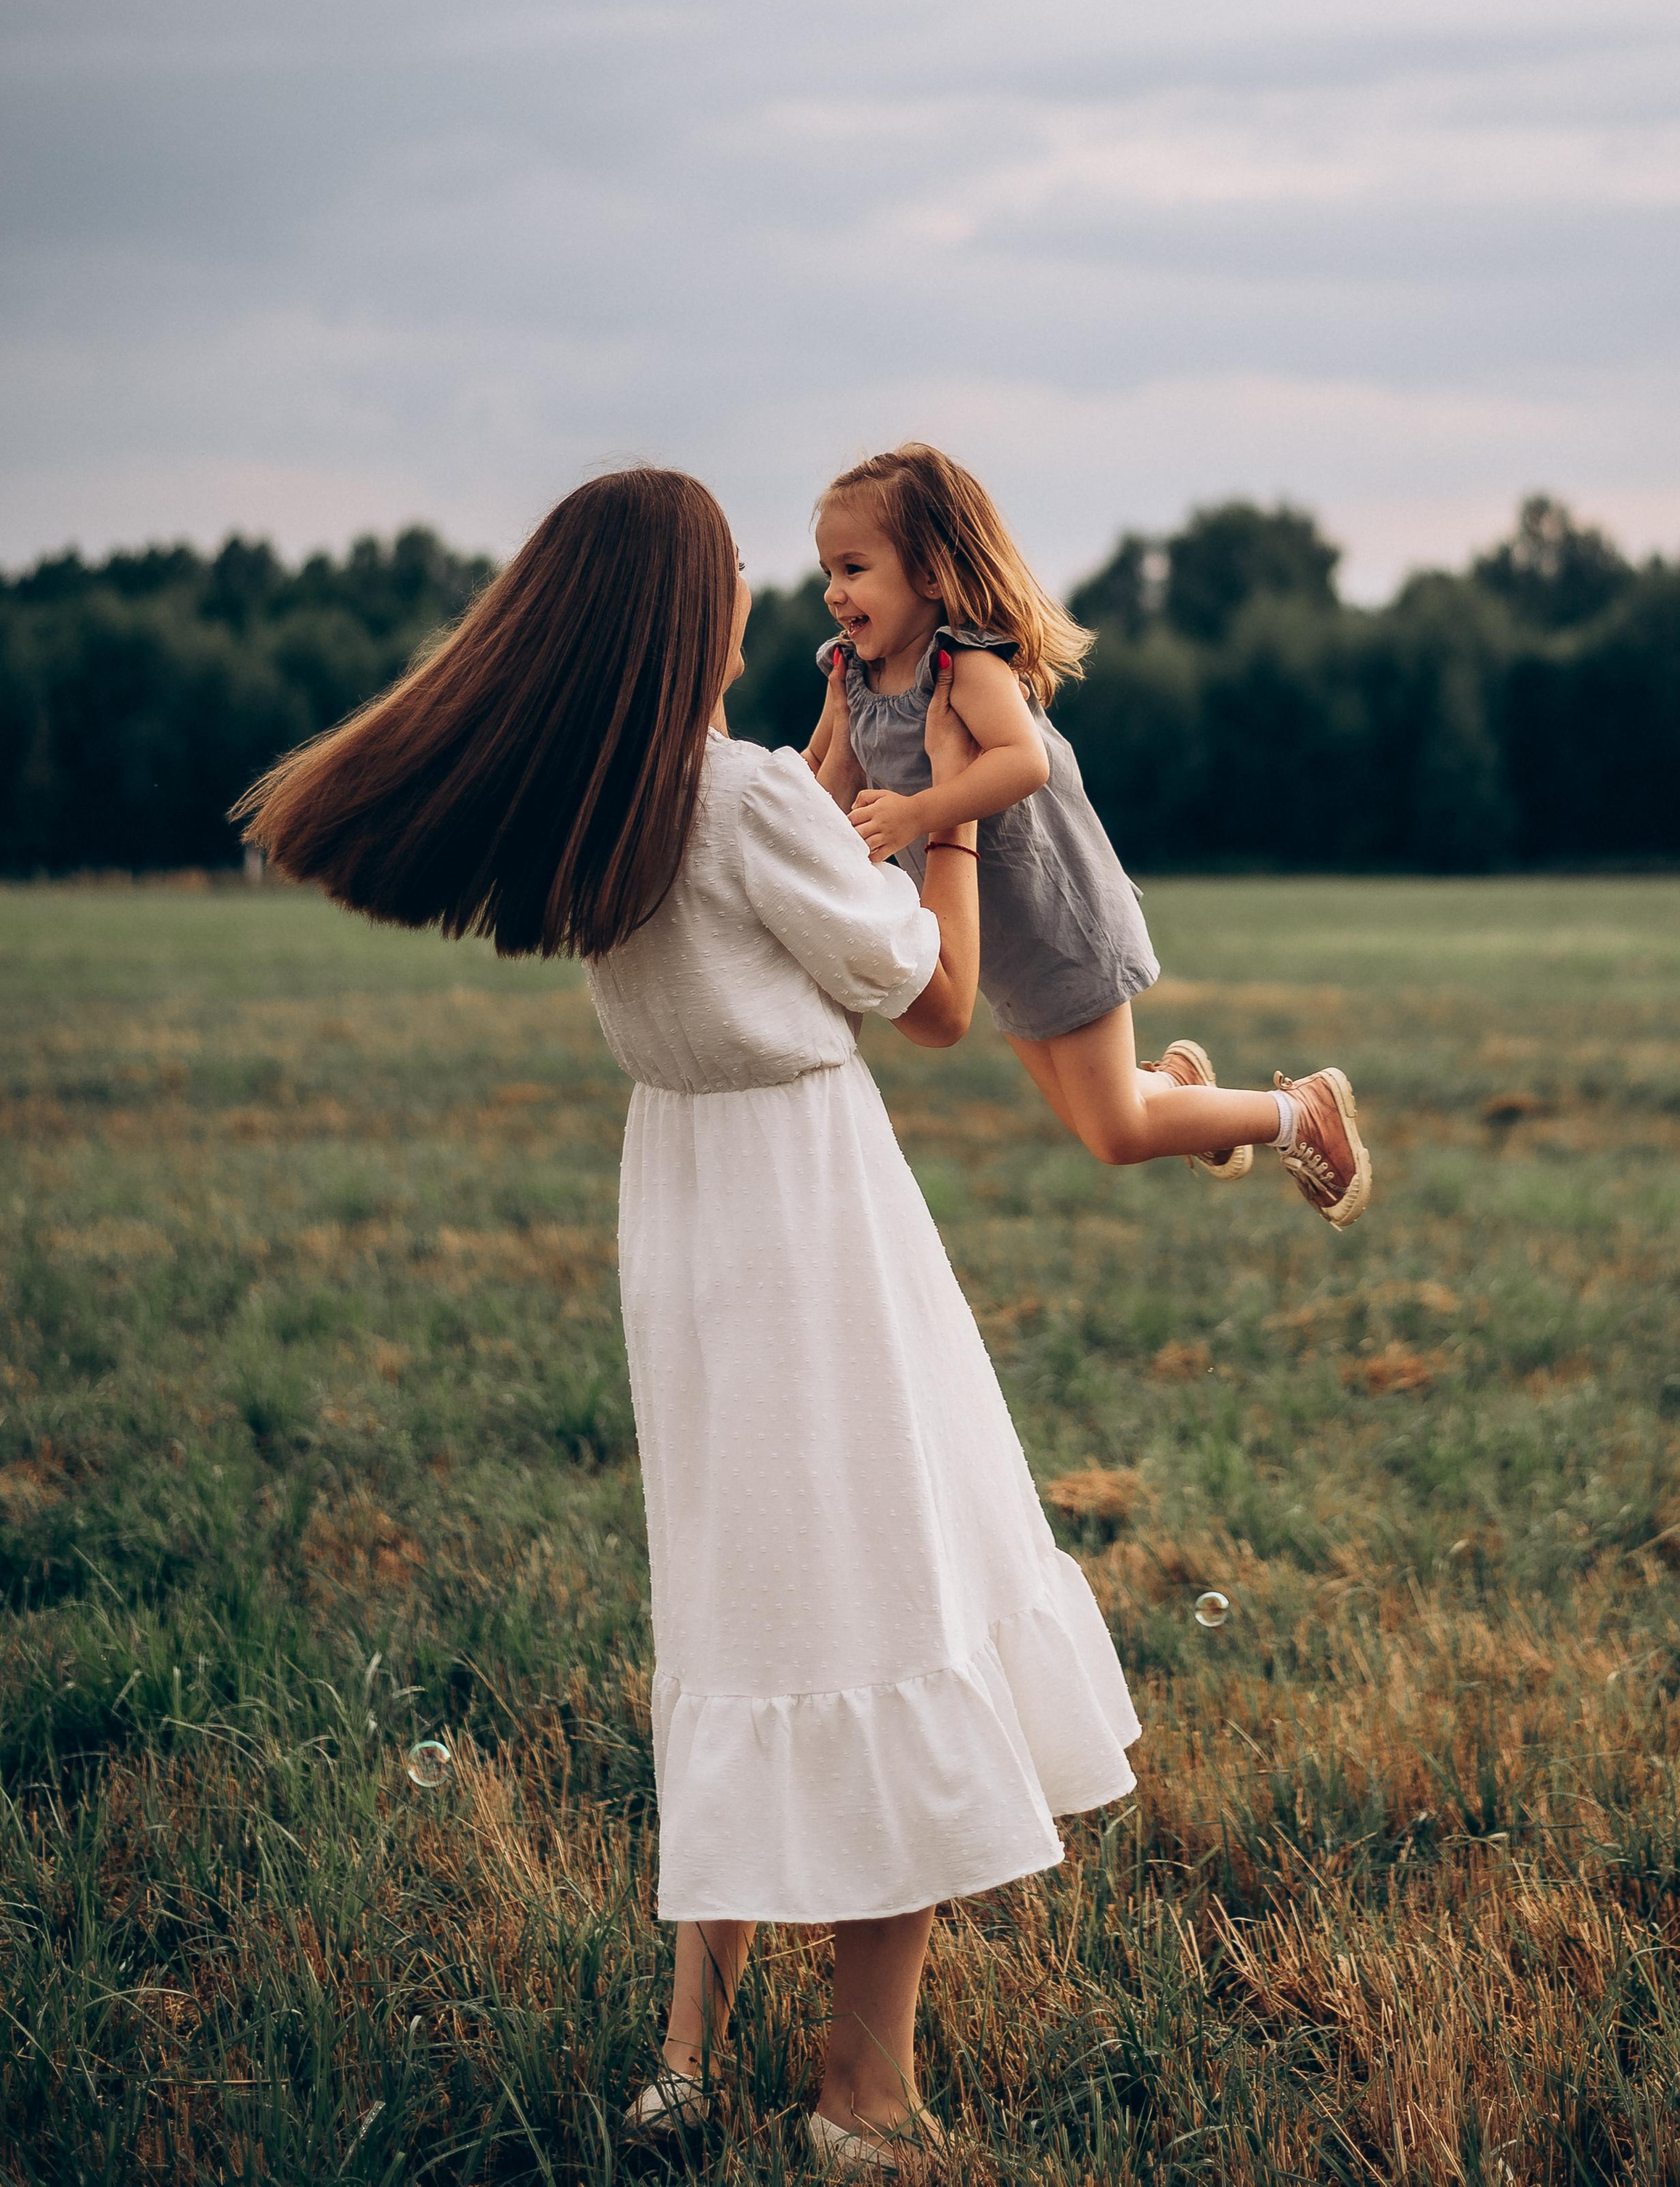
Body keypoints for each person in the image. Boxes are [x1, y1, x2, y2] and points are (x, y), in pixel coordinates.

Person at [235, 468, 1141, 2171]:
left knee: (738, 1612)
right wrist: (944, 806)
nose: (761, 596)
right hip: (807, 1208)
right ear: (683, 618)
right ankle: (861, 2104)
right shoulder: (740, 800)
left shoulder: (609, 809)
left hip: (684, 1211)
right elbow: (936, 999)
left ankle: (683, 2060)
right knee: (879, 1598)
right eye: (734, 574)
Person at [805, 444, 1371, 1226]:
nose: (834, 592)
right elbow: (825, 776)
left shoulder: (963, 664)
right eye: (827, 572)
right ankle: (1179, 1088)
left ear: (932, 574)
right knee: (1093, 1121)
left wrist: (915, 813)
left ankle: (1298, 1113)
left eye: (854, 569)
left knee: (1115, 1132)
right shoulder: (853, 674)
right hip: (996, 946)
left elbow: (1022, 762)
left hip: (1059, 919)